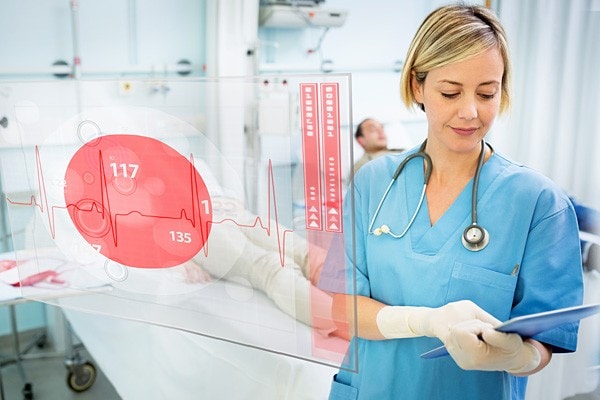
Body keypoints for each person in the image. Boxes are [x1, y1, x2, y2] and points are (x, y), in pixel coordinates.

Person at [320, 4, 584, 400]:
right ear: (417, 86)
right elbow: (342, 308)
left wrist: (517, 357)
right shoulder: (373, 183)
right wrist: (427, 321)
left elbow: (544, 341)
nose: (470, 112)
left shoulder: (538, 203)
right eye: (450, 92)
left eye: (487, 93)